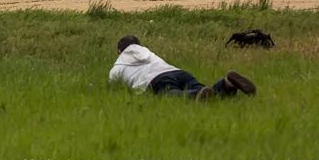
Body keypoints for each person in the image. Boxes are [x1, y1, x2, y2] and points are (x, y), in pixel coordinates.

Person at [109, 35, 256, 100]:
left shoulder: (117, 67)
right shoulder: (148, 52)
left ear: (119, 51)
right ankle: (227, 83)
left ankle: (194, 96)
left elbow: (116, 88)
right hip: (178, 72)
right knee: (205, 92)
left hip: (155, 80)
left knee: (169, 94)